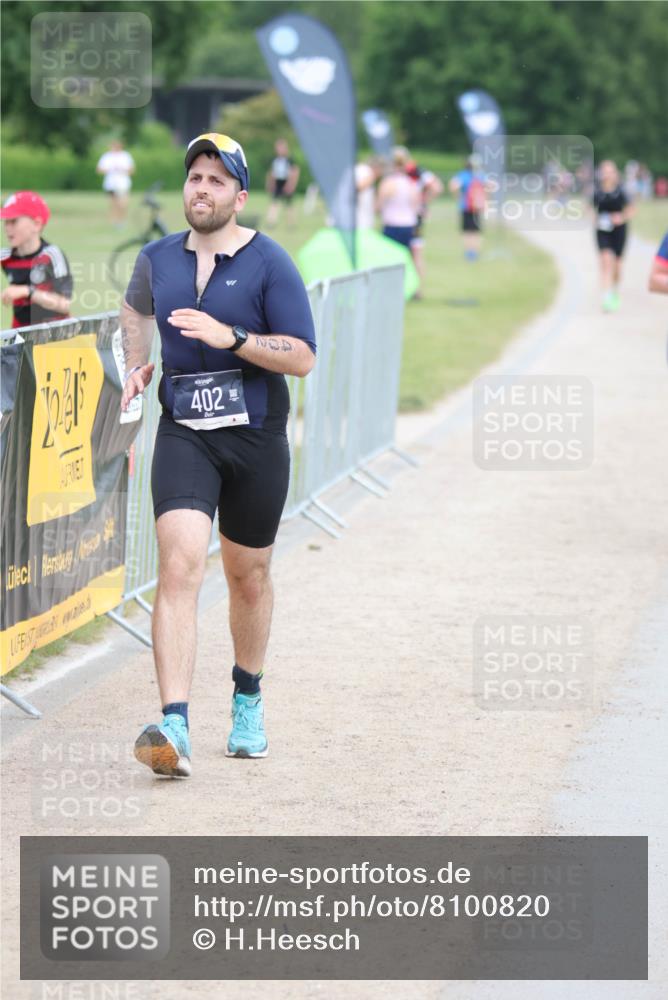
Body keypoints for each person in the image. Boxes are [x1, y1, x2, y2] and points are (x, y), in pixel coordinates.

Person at [121, 132, 316, 778]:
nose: (201, 189)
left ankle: (247, 699)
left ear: (240, 195)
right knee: (179, 566)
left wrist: (231, 337)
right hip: (185, 432)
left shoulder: (270, 262)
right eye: (194, 178)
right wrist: (137, 363)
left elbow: (302, 356)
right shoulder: (156, 258)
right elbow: (134, 310)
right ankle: (174, 725)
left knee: (247, 576)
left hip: (256, 436)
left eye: (216, 180)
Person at [1, 191, 73, 329]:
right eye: (5, 222)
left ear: (37, 224)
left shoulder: (52, 256)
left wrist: (27, 291)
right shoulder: (6, 257)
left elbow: (63, 304)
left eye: (13, 221)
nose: (7, 228)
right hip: (20, 332)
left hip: (55, 334)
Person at [592, 159, 634, 312]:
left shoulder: (621, 190)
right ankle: (606, 297)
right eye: (604, 171)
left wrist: (621, 217)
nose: (607, 174)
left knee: (617, 265)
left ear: (615, 173)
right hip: (602, 230)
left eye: (610, 171)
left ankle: (614, 289)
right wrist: (595, 218)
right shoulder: (597, 191)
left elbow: (631, 209)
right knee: (605, 260)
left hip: (619, 230)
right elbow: (589, 207)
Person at [406, 159, 444, 290]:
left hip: (410, 218)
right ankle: (417, 289)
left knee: (414, 254)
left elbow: (437, 188)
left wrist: (424, 202)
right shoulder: (418, 172)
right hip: (414, 217)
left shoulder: (417, 172)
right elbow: (437, 187)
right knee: (415, 253)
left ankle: (416, 288)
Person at [449, 154, 487, 261]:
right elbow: (488, 187)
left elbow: (453, 186)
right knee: (476, 232)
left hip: (465, 207)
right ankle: (475, 253)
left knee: (467, 232)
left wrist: (458, 197)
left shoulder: (463, 175)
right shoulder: (480, 175)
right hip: (477, 208)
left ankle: (469, 253)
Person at [96, 139, 135, 225]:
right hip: (110, 184)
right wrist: (110, 169)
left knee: (123, 204)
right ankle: (114, 221)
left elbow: (132, 170)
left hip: (123, 184)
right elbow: (99, 170)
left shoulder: (125, 156)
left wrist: (122, 169)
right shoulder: (106, 156)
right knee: (113, 204)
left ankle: (122, 220)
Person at [265, 139, 300, 228]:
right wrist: (270, 183)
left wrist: (291, 184)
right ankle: (271, 222)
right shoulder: (275, 160)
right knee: (274, 203)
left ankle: (290, 224)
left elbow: (295, 171)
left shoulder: (290, 160)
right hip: (278, 182)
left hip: (287, 182)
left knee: (289, 205)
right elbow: (271, 172)